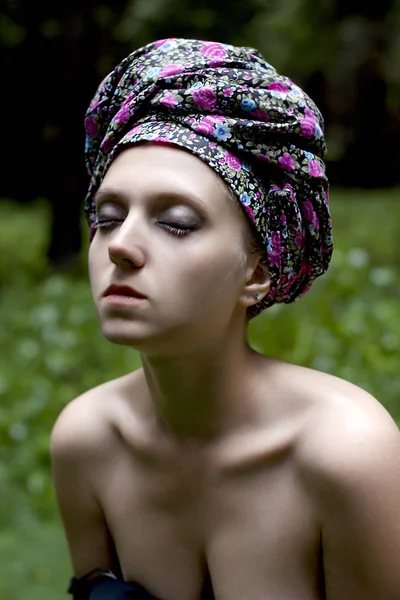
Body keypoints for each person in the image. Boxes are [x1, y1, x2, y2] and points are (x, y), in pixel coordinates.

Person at [50, 38, 400, 600]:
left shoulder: (345, 454)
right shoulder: (87, 441)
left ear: (257, 272)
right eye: (108, 217)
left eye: (178, 222)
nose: (121, 246)